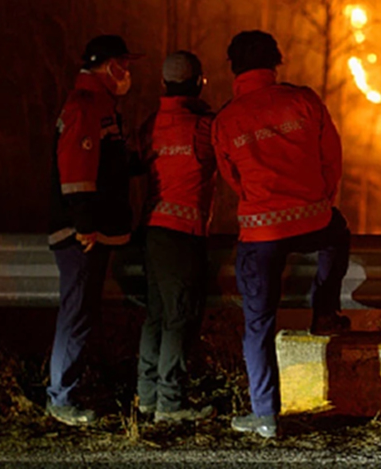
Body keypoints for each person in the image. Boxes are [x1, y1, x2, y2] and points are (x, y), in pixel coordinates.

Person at [212, 30, 351, 438]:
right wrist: (321, 200)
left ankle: (265, 416)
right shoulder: (303, 100)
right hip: (313, 220)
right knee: (337, 234)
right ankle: (324, 312)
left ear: (234, 68)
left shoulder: (225, 120)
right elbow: (332, 157)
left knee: (258, 323)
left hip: (261, 233)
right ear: (275, 62)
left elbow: (231, 178)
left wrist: (261, 205)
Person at [46, 34, 142, 426]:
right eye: (124, 63)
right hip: (81, 235)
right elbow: (77, 170)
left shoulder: (99, 105)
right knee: (76, 315)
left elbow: (107, 164)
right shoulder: (86, 105)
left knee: (82, 314)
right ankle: (61, 399)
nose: (128, 72)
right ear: (110, 65)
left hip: (91, 232)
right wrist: (84, 226)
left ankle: (66, 394)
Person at [135, 51, 217, 423]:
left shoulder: (150, 125)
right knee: (180, 317)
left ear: (164, 84)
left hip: (152, 231)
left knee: (156, 314)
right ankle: (171, 403)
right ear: (199, 82)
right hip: (184, 235)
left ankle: (148, 396)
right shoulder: (203, 128)